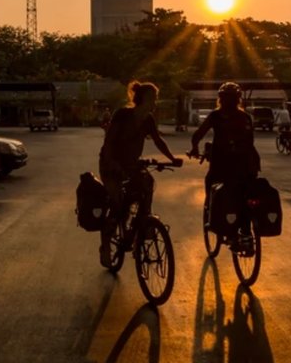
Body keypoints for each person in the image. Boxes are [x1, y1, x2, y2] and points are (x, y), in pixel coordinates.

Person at [98, 81, 183, 267]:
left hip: (131, 165)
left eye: (156, 98)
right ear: (142, 98)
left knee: (147, 183)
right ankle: (105, 246)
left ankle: (144, 223)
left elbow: (158, 141)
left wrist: (172, 158)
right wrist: (112, 163)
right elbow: (109, 141)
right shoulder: (123, 114)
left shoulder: (148, 119)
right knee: (118, 205)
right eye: (153, 98)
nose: (155, 102)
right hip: (110, 164)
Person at [188, 82, 261, 242]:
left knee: (212, 187)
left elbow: (198, 134)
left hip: (221, 165)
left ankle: (213, 218)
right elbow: (250, 143)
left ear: (220, 99)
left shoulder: (216, 115)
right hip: (246, 165)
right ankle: (246, 231)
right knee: (246, 196)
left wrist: (194, 148)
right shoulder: (246, 116)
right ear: (238, 99)